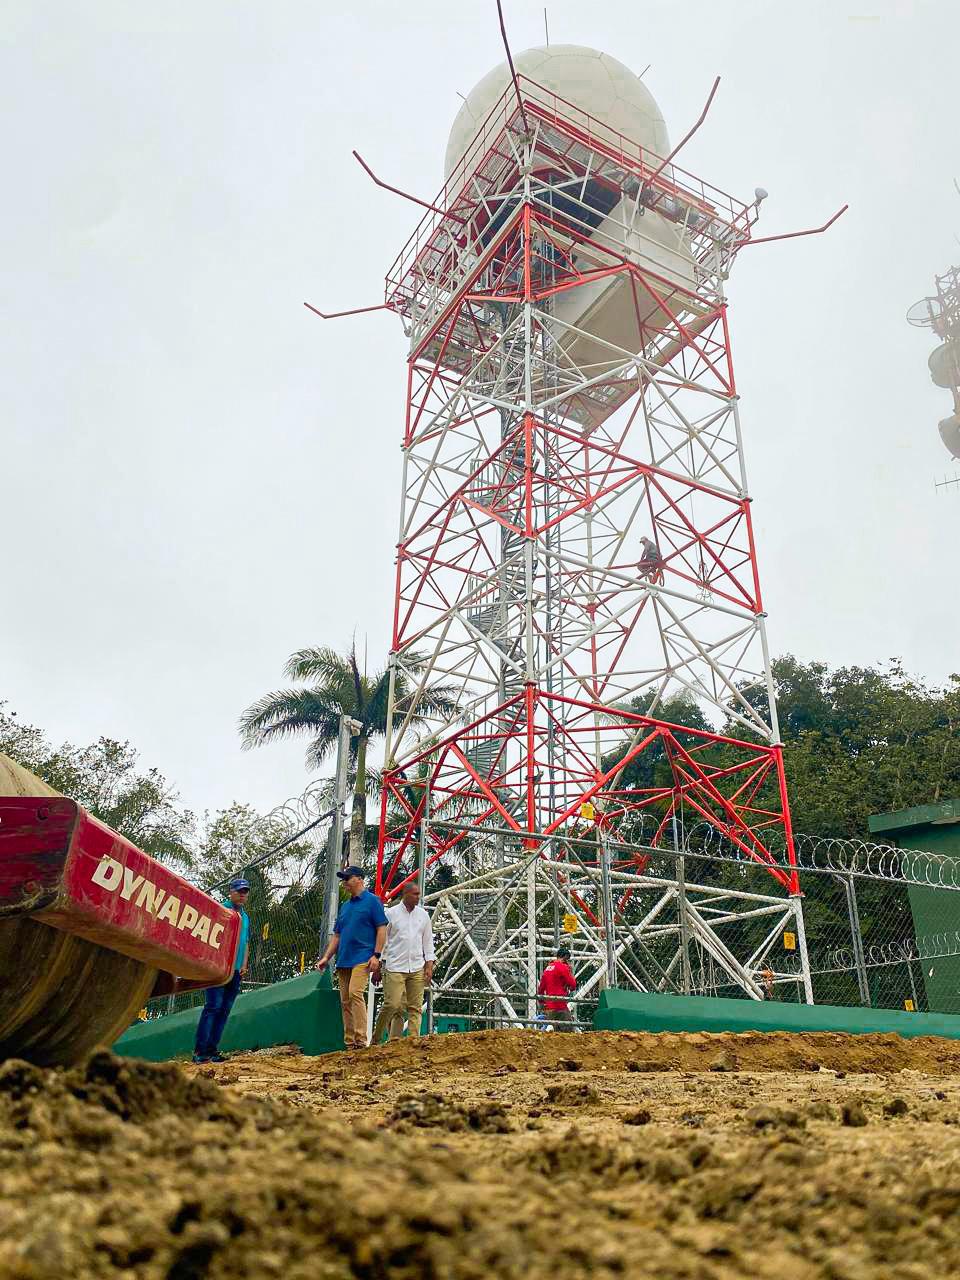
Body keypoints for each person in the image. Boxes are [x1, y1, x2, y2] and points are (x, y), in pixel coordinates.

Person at [316, 865, 388, 1049]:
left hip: (363, 956)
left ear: (359, 879)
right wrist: (326, 957)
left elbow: (382, 929)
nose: (344, 883)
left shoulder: (373, 902)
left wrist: (377, 956)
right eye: (343, 879)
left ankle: (361, 1040)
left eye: (347, 878)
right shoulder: (345, 907)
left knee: (355, 993)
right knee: (345, 1000)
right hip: (344, 959)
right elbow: (337, 935)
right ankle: (350, 1043)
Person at [193, 877, 250, 1063]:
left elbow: (246, 942)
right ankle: (200, 1052)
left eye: (245, 892)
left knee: (224, 1010)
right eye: (239, 891)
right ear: (231, 892)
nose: (242, 895)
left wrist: (243, 964)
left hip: (235, 971)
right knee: (213, 1007)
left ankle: (212, 1050)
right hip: (218, 969)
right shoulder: (220, 910)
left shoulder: (245, 917)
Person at [373, 882, 435, 1043]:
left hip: (416, 967)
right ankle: (379, 1037)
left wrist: (429, 965)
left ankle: (412, 1041)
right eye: (415, 894)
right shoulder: (391, 914)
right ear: (405, 894)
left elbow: (428, 943)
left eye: (419, 894)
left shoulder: (423, 916)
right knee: (393, 1005)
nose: (418, 897)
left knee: (415, 1007)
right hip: (394, 967)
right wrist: (378, 965)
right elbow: (382, 941)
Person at [537, 945, 577, 1030]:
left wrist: (542, 1002)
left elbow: (541, 988)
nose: (568, 962)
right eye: (567, 960)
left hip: (549, 1006)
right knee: (568, 1032)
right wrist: (569, 974)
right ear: (565, 957)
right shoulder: (562, 967)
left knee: (552, 1033)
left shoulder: (547, 968)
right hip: (560, 1005)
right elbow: (573, 984)